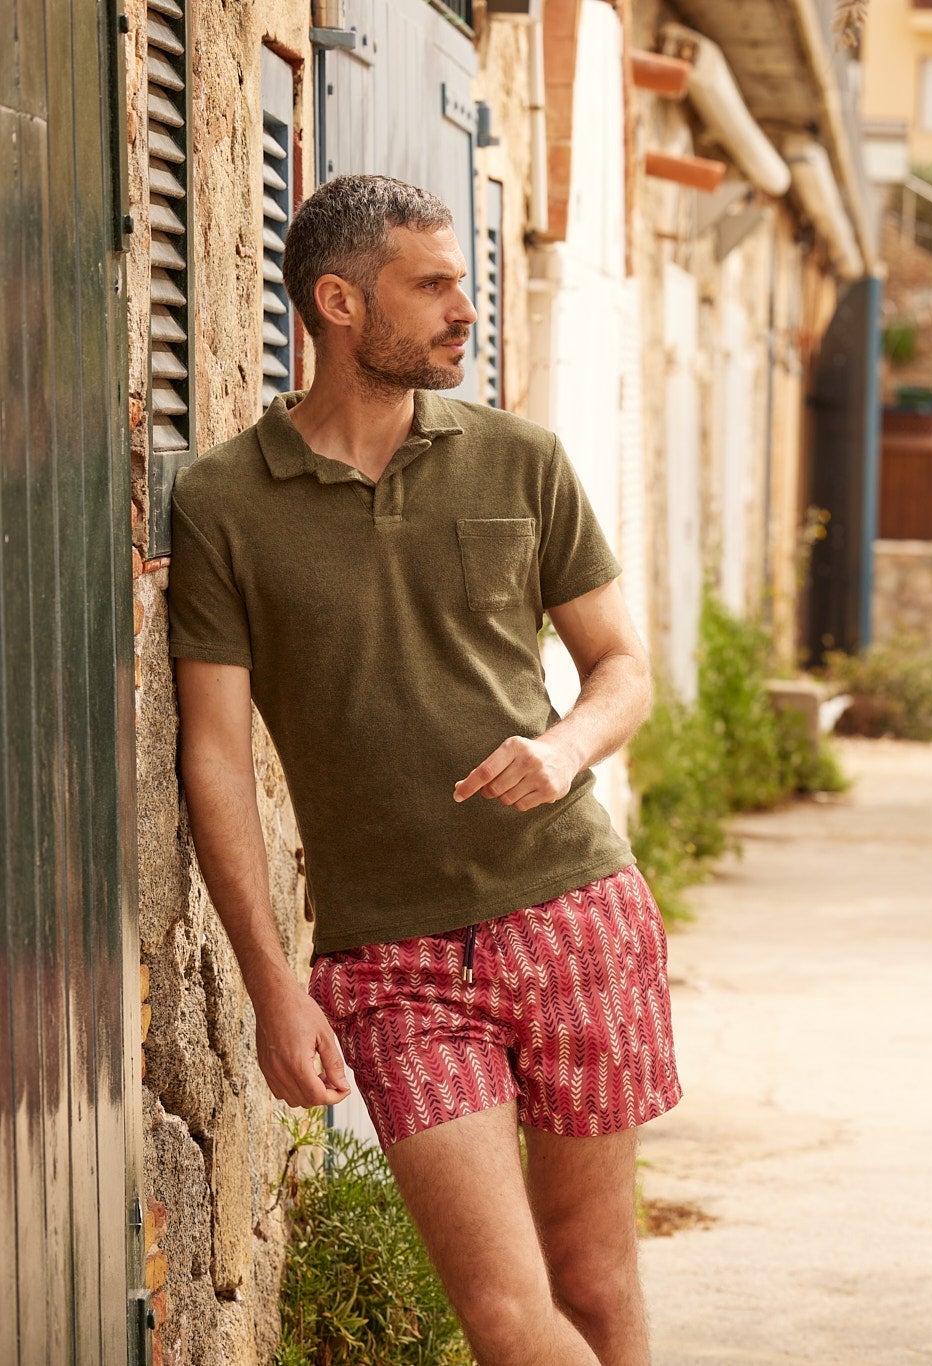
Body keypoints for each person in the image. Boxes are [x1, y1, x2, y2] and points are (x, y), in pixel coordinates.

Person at [168, 174, 678, 1366]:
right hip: (392, 963)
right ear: (339, 302)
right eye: (433, 285)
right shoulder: (225, 504)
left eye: (462, 282)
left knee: (594, 1284)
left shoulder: (521, 461)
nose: (465, 309)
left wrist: (561, 749)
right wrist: (269, 984)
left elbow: (621, 669)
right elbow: (216, 758)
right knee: (504, 1312)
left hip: (571, 914)